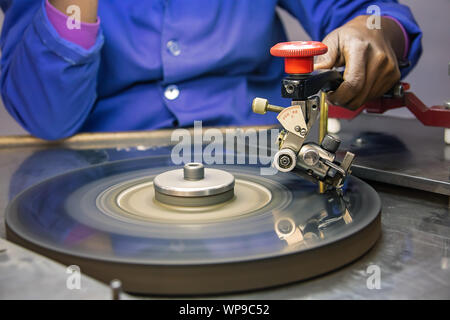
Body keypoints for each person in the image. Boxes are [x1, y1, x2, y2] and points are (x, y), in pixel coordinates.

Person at [0, 0, 421, 140]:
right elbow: (47, 118)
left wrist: (374, 32)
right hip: (96, 182)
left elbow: (365, 11)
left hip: (265, 159)